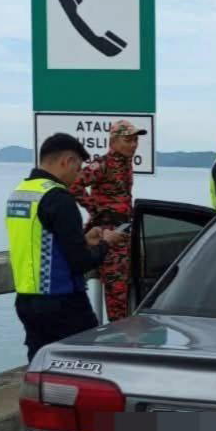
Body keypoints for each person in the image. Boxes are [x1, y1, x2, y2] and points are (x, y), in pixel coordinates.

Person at [7, 133, 119, 362]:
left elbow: (39, 240)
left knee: (40, 364)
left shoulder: (20, 193)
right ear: (66, 161)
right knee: (85, 363)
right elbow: (81, 262)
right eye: (77, 169)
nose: (78, 176)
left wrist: (83, 239)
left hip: (26, 300)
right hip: (63, 300)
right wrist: (106, 244)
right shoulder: (59, 198)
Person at [69, 119, 146, 321]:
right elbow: (74, 185)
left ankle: (122, 331)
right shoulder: (103, 164)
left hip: (124, 230)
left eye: (136, 140)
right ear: (113, 141)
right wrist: (96, 210)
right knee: (116, 293)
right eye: (128, 140)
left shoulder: (126, 164)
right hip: (108, 234)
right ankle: (116, 334)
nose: (133, 145)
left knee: (126, 291)